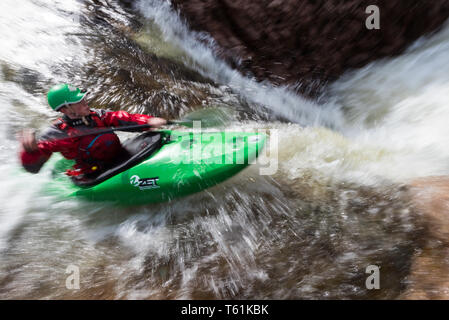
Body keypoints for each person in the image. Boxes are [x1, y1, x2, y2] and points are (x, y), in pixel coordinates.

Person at [19, 83, 167, 178]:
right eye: (79, 101)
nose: (85, 101)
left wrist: (147, 121)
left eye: (83, 98)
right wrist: (29, 152)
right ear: (65, 109)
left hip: (119, 156)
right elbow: (33, 168)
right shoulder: (56, 133)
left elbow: (120, 118)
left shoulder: (95, 114)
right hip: (95, 172)